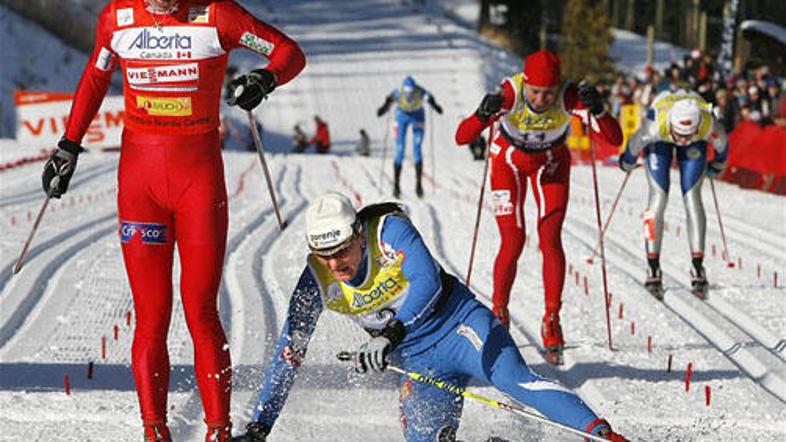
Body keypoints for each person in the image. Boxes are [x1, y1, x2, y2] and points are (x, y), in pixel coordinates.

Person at [39, 0, 305, 440]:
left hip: (197, 183)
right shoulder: (117, 18)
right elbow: (96, 76)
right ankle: (153, 430)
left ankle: (218, 430)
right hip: (140, 184)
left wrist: (265, 78)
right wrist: (68, 145)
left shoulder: (217, 14)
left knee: (200, 310)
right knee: (151, 314)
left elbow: (289, 52)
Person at [232, 192, 629, 442]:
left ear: (358, 235)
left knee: (514, 379)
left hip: (460, 326)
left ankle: (602, 435)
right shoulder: (316, 281)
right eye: (325, 256)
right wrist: (259, 427)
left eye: (342, 251)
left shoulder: (388, 231)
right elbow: (288, 352)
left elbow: (427, 281)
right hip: (418, 363)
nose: (336, 264)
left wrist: (390, 333)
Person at [454, 50, 623, 364]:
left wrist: (599, 110)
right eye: (535, 92)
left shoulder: (568, 96)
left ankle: (552, 319)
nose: (542, 99)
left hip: (551, 163)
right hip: (508, 163)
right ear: (526, 83)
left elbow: (614, 139)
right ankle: (499, 313)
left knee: (550, 238)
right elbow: (461, 138)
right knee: (513, 240)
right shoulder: (511, 93)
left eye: (549, 93)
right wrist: (481, 114)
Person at [619, 89, 728, 300]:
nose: (683, 141)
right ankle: (653, 267)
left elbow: (722, 147)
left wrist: (717, 165)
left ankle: (698, 266)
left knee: (693, 196)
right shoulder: (655, 125)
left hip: (696, 136)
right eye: (680, 135)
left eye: (688, 136)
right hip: (660, 138)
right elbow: (633, 145)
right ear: (672, 126)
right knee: (658, 197)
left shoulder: (707, 124)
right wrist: (627, 162)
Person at [376, 75, 443, 198]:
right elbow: (390, 98)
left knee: (417, 147)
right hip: (401, 115)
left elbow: (429, 97)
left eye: (411, 93)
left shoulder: (419, 91)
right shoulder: (399, 92)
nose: (409, 95)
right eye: (407, 93)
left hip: (417, 115)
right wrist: (384, 108)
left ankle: (418, 185)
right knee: (400, 149)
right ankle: (396, 185)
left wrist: (435, 106)